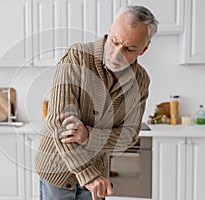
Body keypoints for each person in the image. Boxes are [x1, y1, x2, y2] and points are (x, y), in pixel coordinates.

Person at [35, 5, 159, 200]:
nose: (117, 53)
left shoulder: (141, 80)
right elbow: (61, 124)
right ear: (109, 31)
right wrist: (89, 176)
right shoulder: (77, 57)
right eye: (115, 41)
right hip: (57, 170)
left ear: (144, 48)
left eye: (129, 48)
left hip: (97, 172)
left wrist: (88, 136)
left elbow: (129, 135)